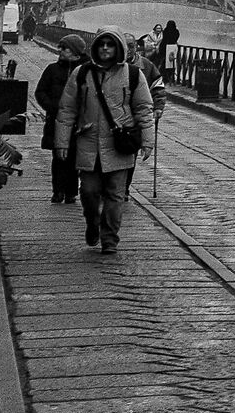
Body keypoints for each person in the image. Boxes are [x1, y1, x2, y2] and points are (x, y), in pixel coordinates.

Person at [49, 30, 157, 255]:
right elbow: (67, 110)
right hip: (88, 142)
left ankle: (110, 239)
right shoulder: (82, 73)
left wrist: (147, 140)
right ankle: (92, 222)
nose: (105, 48)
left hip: (119, 144)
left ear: (118, 48)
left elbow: (144, 109)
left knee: (115, 194)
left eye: (110, 44)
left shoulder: (134, 75)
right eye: (101, 44)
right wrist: (61, 142)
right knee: (88, 191)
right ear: (95, 47)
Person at [36, 37, 86, 204]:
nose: (61, 51)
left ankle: (71, 192)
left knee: (74, 158)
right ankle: (58, 191)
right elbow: (40, 92)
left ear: (75, 51)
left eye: (65, 48)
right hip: (56, 120)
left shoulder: (84, 71)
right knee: (58, 157)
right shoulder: (52, 70)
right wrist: (52, 107)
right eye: (61, 48)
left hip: (78, 122)